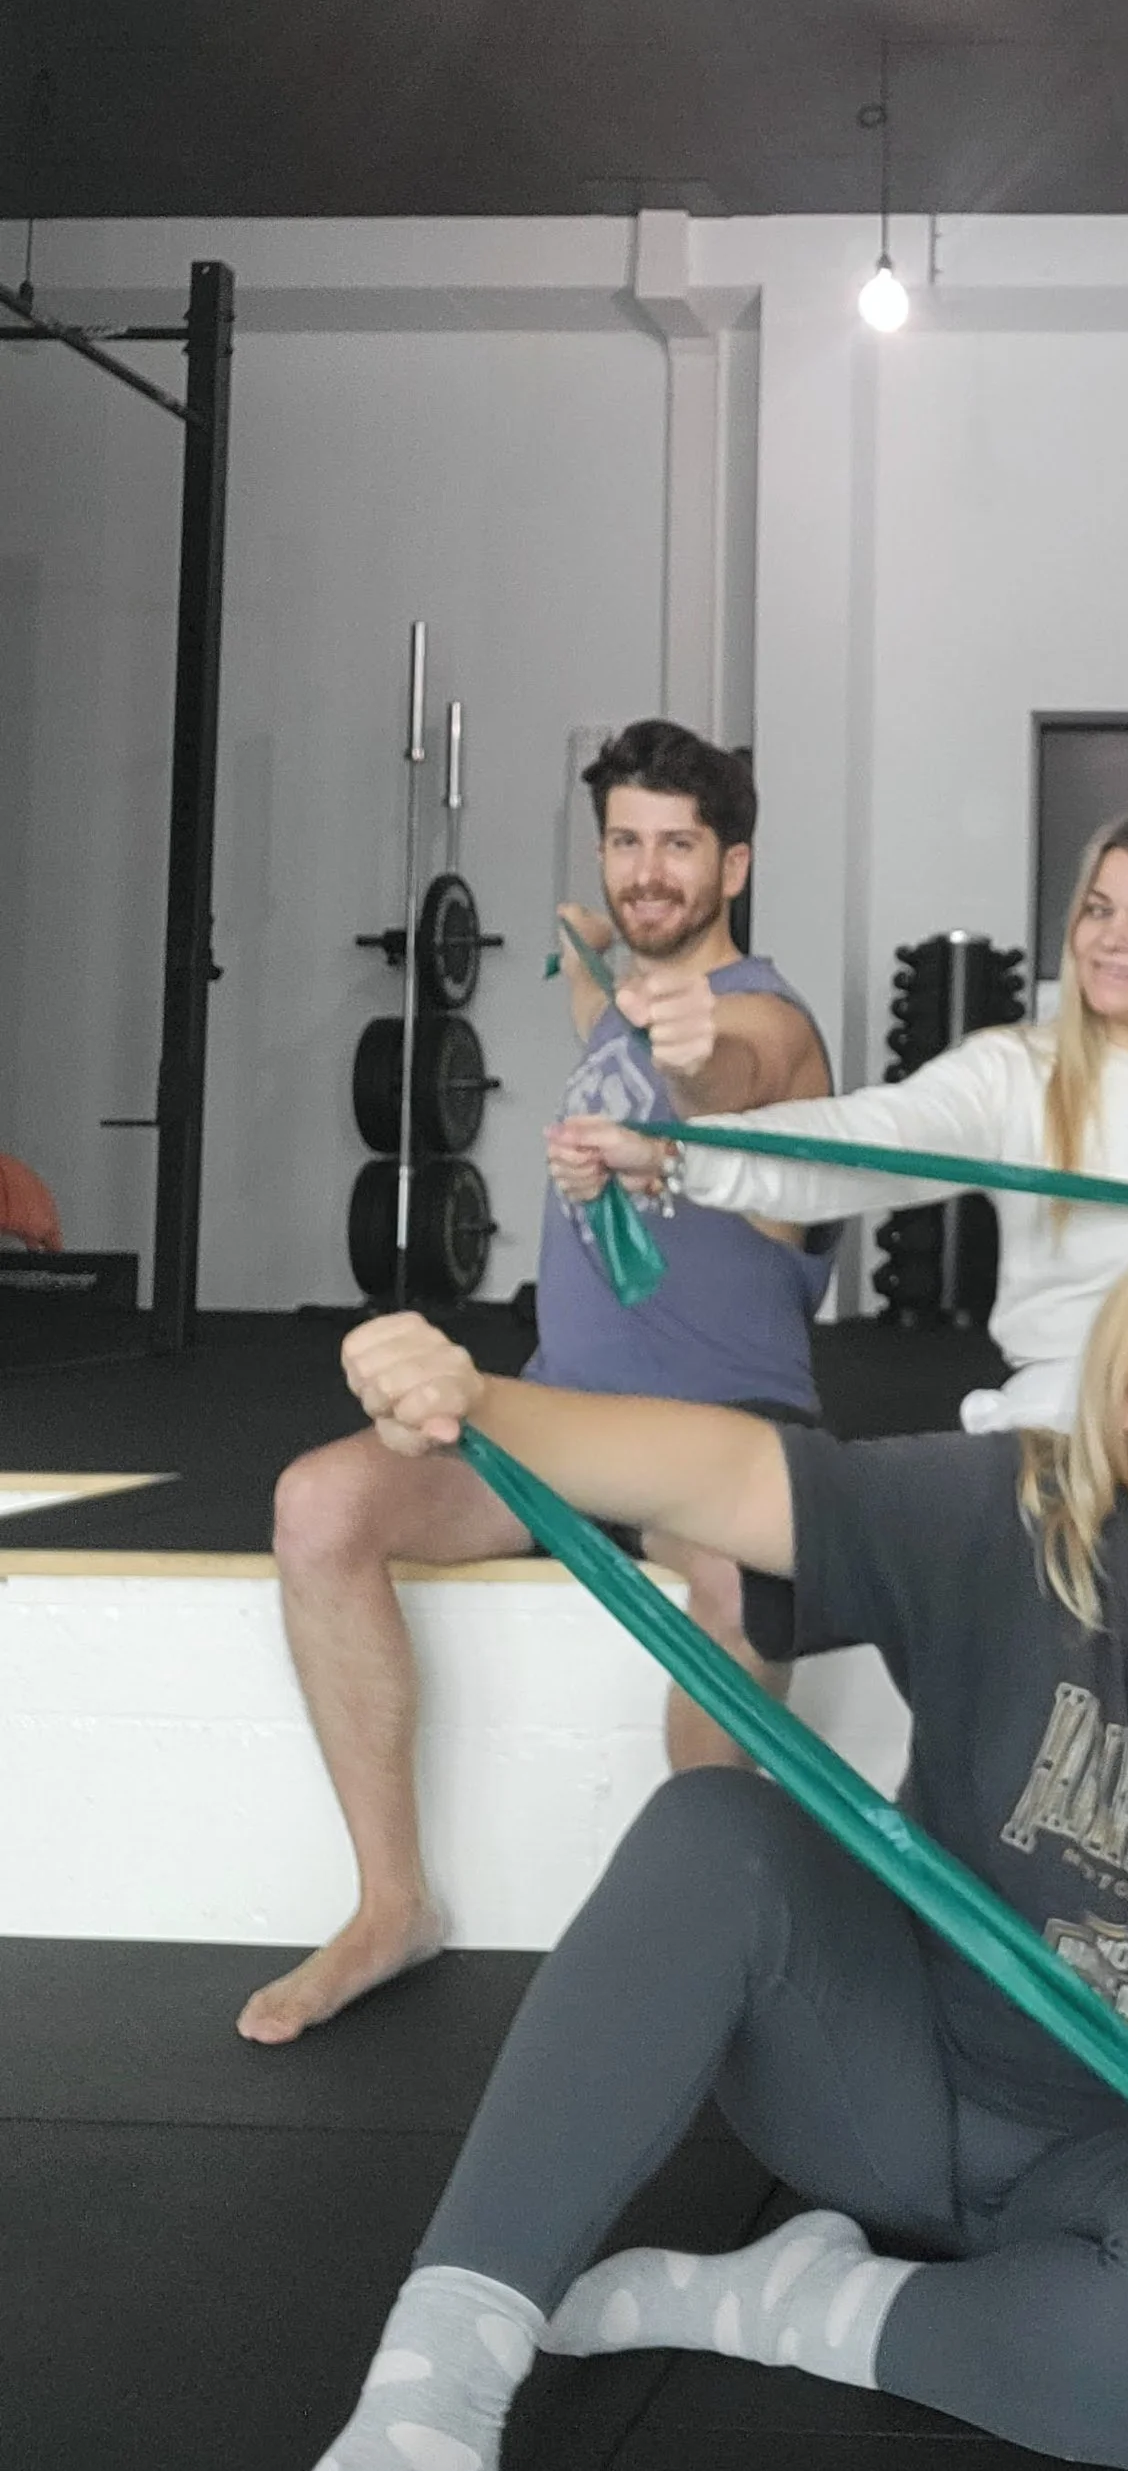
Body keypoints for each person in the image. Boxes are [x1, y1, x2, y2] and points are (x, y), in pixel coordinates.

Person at [128, 1201, 1128, 2471]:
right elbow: (719, 1470)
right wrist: (481, 1401)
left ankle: (788, 2307)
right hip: (885, 2086)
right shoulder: (1003, 1509)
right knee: (715, 1833)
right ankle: (416, 2431)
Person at [238, 722, 833, 2046]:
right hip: (559, 1419)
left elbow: (725, 1066)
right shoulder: (616, 1005)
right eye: (627, 841)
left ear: (732, 862)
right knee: (320, 1505)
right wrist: (591, 967)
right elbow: (603, 1000)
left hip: (719, 1445)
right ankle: (391, 1904)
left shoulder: (769, 1022)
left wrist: (685, 1047)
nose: (648, 870)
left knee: (742, 1593)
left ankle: (709, 1947)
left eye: (679, 844)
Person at [552, 805, 1128, 1434]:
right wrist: (678, 1154)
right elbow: (857, 1143)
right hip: (1065, 1423)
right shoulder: (1015, 1072)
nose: (1111, 940)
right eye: (1099, 910)